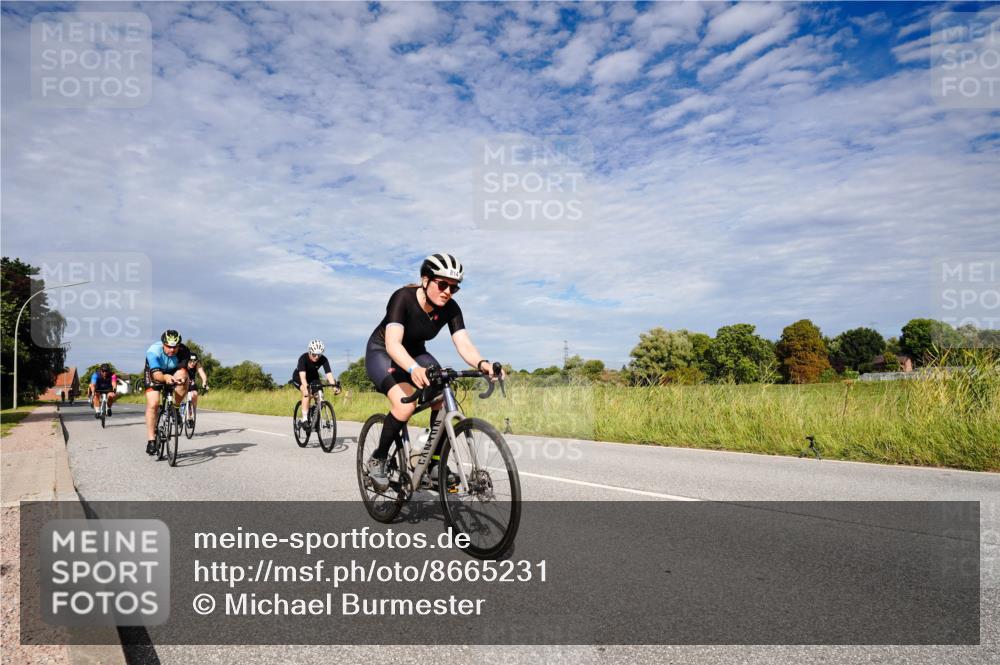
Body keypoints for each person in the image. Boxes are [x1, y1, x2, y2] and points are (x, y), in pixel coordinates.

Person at [364, 253, 499, 490]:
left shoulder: (451, 308)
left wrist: (482, 364)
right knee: (405, 406)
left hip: (416, 352)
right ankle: (379, 458)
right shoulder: (402, 298)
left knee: (445, 399)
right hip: (383, 352)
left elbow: (464, 344)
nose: (448, 291)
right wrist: (413, 368)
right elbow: (393, 344)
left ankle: (434, 462)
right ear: (425, 280)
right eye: (443, 284)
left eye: (454, 288)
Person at [143, 329, 191, 455]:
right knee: (153, 404)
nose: (172, 350)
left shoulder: (184, 351)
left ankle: (175, 407)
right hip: (155, 373)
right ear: (163, 343)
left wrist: (180, 379)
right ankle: (151, 440)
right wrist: (165, 377)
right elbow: (157, 374)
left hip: (173, 370)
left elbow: (182, 371)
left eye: (175, 347)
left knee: (185, 378)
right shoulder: (153, 351)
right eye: (169, 347)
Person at [290, 339, 341, 428]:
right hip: (299, 377)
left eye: (319, 354)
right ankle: (305, 419)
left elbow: (329, 374)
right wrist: (306, 388)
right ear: (309, 351)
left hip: (313, 377)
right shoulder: (303, 358)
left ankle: (314, 410)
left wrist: (334, 386)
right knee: (307, 393)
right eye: (314, 354)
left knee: (320, 396)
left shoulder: (323, 359)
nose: (317, 357)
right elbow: (303, 377)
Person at [184, 354, 210, 426]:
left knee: (194, 394)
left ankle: (192, 412)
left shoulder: (197, 364)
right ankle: (181, 412)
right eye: (190, 361)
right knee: (184, 395)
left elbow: (202, 373)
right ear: (187, 360)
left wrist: (204, 382)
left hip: (191, 381)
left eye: (194, 361)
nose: (192, 363)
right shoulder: (184, 363)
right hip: (183, 381)